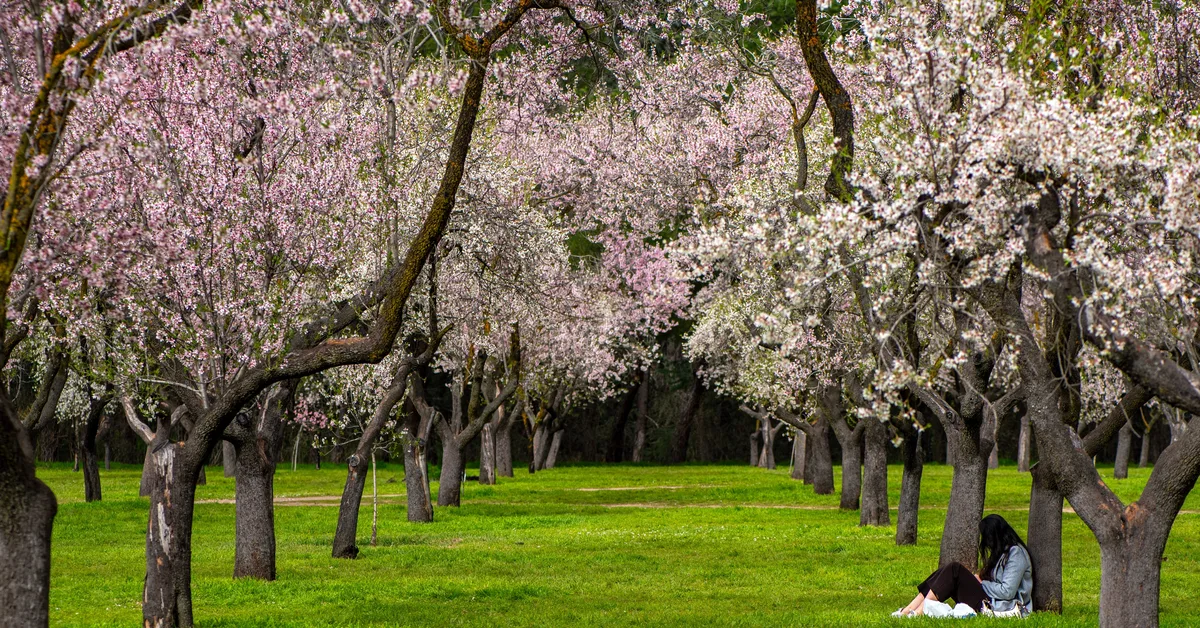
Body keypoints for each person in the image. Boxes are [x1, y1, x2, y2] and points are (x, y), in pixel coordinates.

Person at [892, 514, 1033, 618]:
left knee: (955, 569)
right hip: (991, 599)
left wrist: (982, 583)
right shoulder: (1003, 552)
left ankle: (917, 613)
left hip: (999, 606)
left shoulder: (1016, 554)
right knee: (946, 572)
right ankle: (909, 609)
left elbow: (1007, 591)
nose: (987, 543)